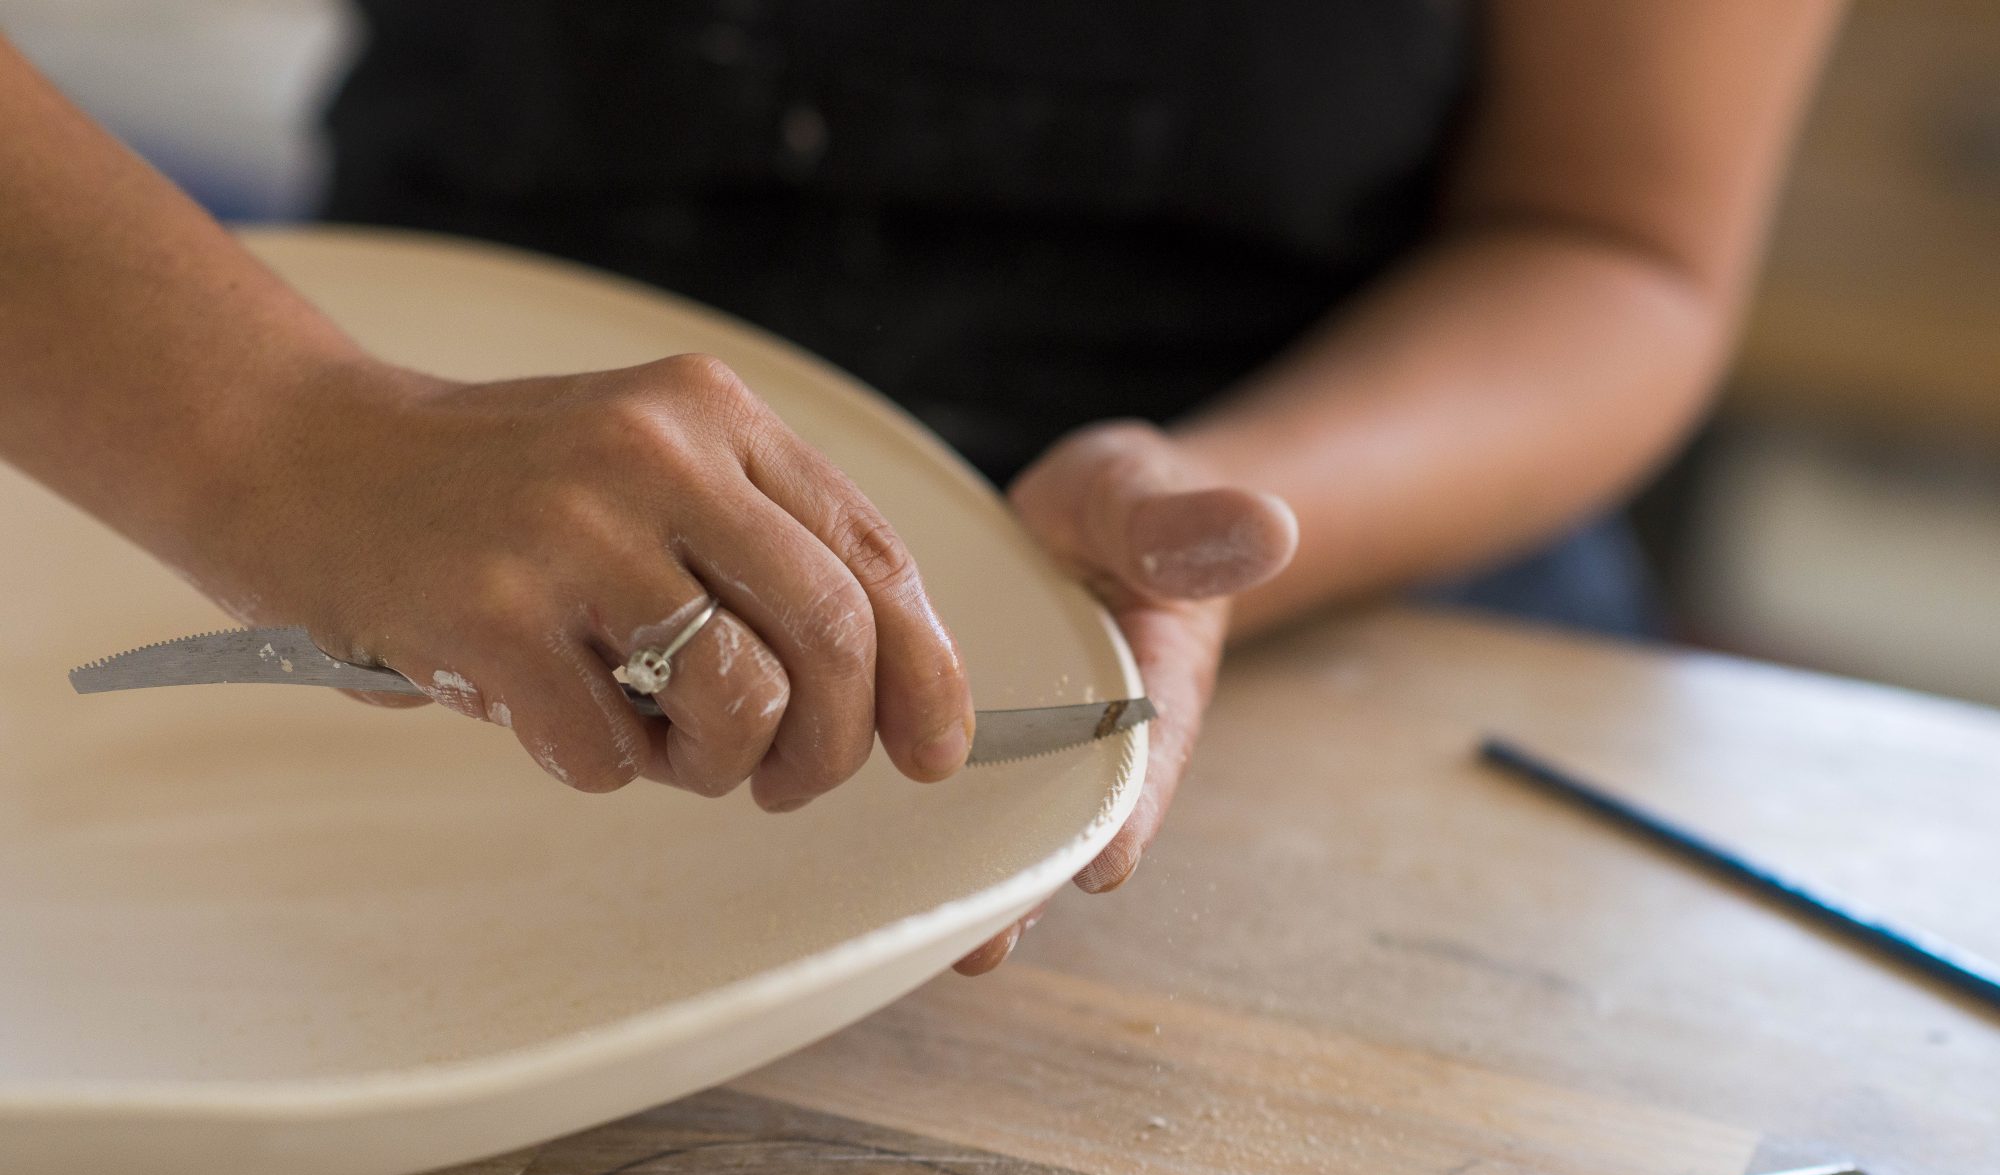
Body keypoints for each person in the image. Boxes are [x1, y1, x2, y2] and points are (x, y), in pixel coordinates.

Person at [0, 3, 1839, 973]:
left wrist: (1215, 515)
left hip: (1344, 570)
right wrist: (282, 436)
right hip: (438, 505)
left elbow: (1616, 243)